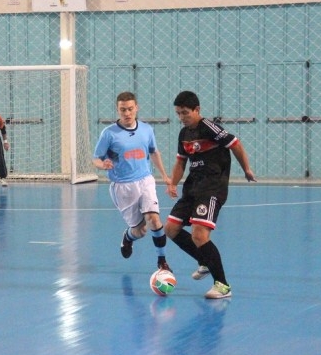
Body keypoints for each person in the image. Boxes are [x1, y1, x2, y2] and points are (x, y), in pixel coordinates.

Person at [164, 90, 256, 299]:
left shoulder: (210, 128)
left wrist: (246, 169)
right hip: (192, 188)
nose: (181, 117)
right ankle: (204, 260)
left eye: (185, 113)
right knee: (170, 229)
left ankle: (223, 285)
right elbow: (181, 162)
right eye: (178, 113)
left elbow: (236, 145)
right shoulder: (184, 134)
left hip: (212, 188)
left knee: (199, 235)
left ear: (197, 110)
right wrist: (173, 183)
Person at [92, 91, 172, 272]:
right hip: (123, 186)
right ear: (117, 110)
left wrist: (165, 176)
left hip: (145, 180)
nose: (127, 113)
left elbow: (154, 152)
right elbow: (95, 158)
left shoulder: (146, 129)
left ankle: (162, 261)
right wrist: (102, 164)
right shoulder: (109, 134)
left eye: (130, 109)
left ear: (136, 108)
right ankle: (128, 237)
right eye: (122, 110)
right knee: (140, 230)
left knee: (154, 219)